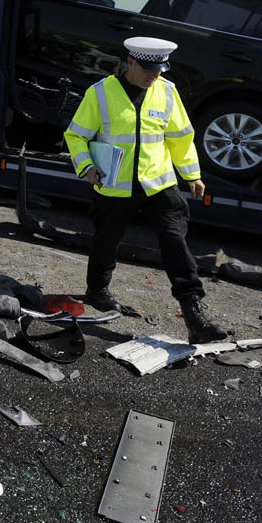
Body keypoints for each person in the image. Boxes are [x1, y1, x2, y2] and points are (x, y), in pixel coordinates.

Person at [63, 36, 230, 343]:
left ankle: (194, 315)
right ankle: (98, 289)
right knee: (106, 238)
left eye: (160, 69)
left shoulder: (167, 91)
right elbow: (76, 136)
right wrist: (87, 166)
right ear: (130, 62)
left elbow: (181, 136)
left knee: (174, 240)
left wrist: (191, 174)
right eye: (148, 69)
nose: (155, 75)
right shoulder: (100, 93)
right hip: (115, 183)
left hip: (158, 182)